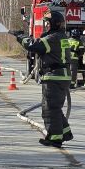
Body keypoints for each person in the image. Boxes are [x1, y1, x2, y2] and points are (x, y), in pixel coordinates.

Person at [14, 11, 73, 148]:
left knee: (50, 109)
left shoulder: (52, 38)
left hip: (54, 77)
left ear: (54, 24)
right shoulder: (61, 36)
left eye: (48, 23)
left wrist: (20, 36)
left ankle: (54, 138)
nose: (46, 25)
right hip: (61, 76)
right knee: (55, 107)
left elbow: (33, 46)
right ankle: (65, 133)